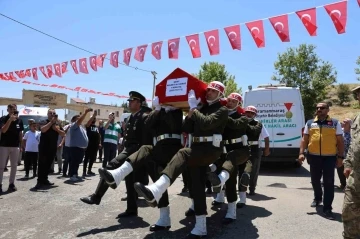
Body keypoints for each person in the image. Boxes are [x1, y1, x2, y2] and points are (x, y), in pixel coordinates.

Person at [134, 81, 229, 238]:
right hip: (197, 150)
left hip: (211, 149)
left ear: (220, 94)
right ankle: (201, 227)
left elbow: (207, 124)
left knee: (183, 153)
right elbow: (186, 128)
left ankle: (156, 189)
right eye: (209, 90)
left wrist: (193, 108)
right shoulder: (201, 108)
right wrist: (192, 113)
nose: (209, 93)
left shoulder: (222, 109)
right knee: (197, 185)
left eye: (213, 91)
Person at [99, 96, 184, 231]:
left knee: (168, 182)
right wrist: (158, 109)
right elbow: (149, 125)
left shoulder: (177, 111)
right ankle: (164, 218)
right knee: (157, 182)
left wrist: (167, 108)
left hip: (172, 149)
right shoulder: (156, 112)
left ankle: (198, 218)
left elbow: (174, 126)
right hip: (156, 148)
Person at [80, 91, 148, 218]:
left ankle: (96, 197)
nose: (129, 103)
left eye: (132, 101)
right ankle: (132, 209)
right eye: (129, 101)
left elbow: (145, 139)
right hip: (127, 149)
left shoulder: (144, 117)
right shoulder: (130, 118)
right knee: (130, 180)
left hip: (135, 151)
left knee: (110, 166)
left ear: (139, 103)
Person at [298, 102, 344, 220]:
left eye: (322, 108)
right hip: (313, 157)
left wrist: (340, 157)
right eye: (317, 108)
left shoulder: (335, 123)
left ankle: (327, 208)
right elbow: (304, 139)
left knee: (328, 182)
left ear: (328, 110)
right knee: (315, 181)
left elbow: (340, 141)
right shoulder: (310, 123)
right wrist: (301, 153)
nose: (319, 109)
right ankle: (318, 198)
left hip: (329, 157)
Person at [237, 106, 269, 208]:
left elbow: (266, 137)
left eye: (251, 113)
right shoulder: (240, 122)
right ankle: (241, 190)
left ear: (254, 115)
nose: (249, 114)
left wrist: (267, 149)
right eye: (247, 112)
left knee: (254, 170)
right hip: (243, 148)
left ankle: (252, 189)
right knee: (242, 170)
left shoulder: (258, 124)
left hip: (255, 149)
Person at [342, 86, 360, 239]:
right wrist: (347, 164)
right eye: (358, 94)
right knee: (348, 213)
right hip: (355, 178)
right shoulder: (357, 118)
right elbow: (353, 144)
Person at [35, 109, 65, 189]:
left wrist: (57, 129)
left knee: (48, 164)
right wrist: (51, 122)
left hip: (52, 147)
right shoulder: (44, 121)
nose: (52, 114)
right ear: (47, 114)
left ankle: (45, 179)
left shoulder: (58, 123)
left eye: (54, 113)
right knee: (42, 164)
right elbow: (43, 130)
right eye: (50, 113)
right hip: (44, 147)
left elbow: (63, 133)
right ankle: (39, 181)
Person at [0, 104, 24, 193]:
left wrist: (21, 145)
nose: (13, 111)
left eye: (14, 109)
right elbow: (3, 130)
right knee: (1, 167)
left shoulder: (19, 120)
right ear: (7, 110)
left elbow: (20, 133)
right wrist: (10, 120)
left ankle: (11, 184)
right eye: (11, 109)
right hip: (4, 146)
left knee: (14, 166)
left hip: (15, 146)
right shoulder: (3, 119)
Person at [68, 110, 91, 182]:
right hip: (75, 147)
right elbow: (79, 121)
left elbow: (87, 125)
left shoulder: (81, 127)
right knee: (74, 161)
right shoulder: (73, 125)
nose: (80, 119)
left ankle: (75, 174)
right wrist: (85, 113)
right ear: (74, 120)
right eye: (78, 118)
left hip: (81, 148)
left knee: (78, 161)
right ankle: (72, 175)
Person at [83, 111, 101, 177]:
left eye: (94, 119)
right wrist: (93, 116)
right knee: (86, 157)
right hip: (89, 144)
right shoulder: (88, 125)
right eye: (92, 118)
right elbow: (88, 124)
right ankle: (84, 171)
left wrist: (99, 143)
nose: (94, 119)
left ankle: (89, 170)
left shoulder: (96, 127)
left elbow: (99, 135)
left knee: (92, 158)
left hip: (95, 145)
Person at [337, 119, 351, 189]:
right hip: (340, 154)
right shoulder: (340, 131)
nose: (343, 123)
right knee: (340, 170)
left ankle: (350, 186)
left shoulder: (353, 133)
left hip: (349, 156)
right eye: (343, 121)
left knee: (349, 171)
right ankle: (343, 184)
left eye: (346, 122)